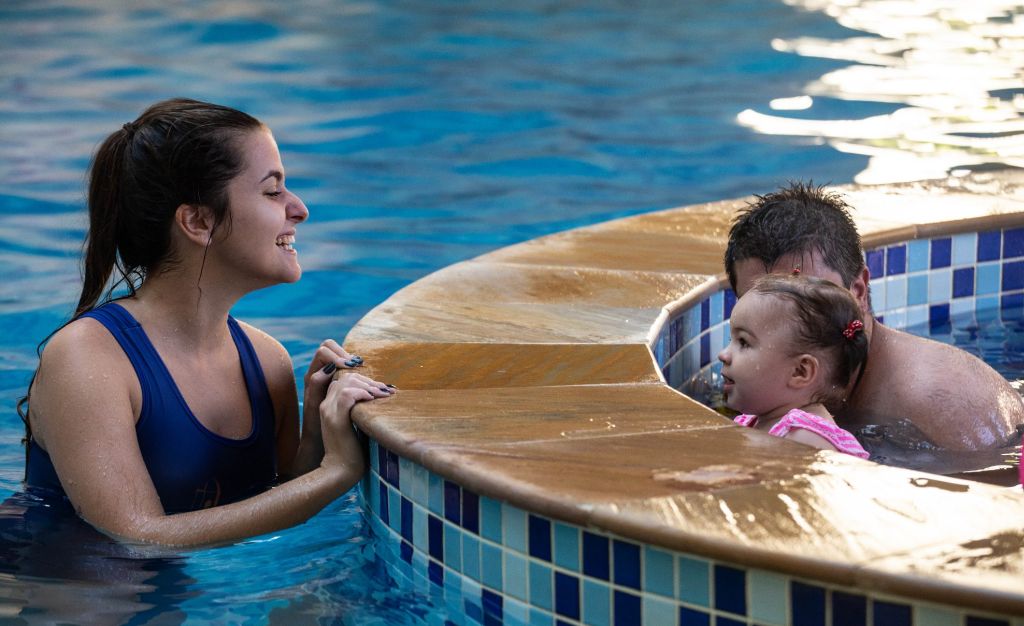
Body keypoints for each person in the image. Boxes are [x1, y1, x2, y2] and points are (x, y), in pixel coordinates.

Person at [16, 98, 391, 547]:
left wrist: (317, 434)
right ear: (198, 221)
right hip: (70, 594)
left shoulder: (266, 360)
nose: (299, 209)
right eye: (273, 191)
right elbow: (135, 539)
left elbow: (273, 498)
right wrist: (336, 473)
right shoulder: (88, 360)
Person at [724, 182, 1024, 451]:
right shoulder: (757, 381)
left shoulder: (935, 400)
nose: (780, 311)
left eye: (805, 294)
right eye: (758, 300)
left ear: (858, 290)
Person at [718, 274, 871, 459]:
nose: (723, 354)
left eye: (743, 342)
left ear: (800, 371)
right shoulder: (757, 420)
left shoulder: (805, 438)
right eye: (730, 340)